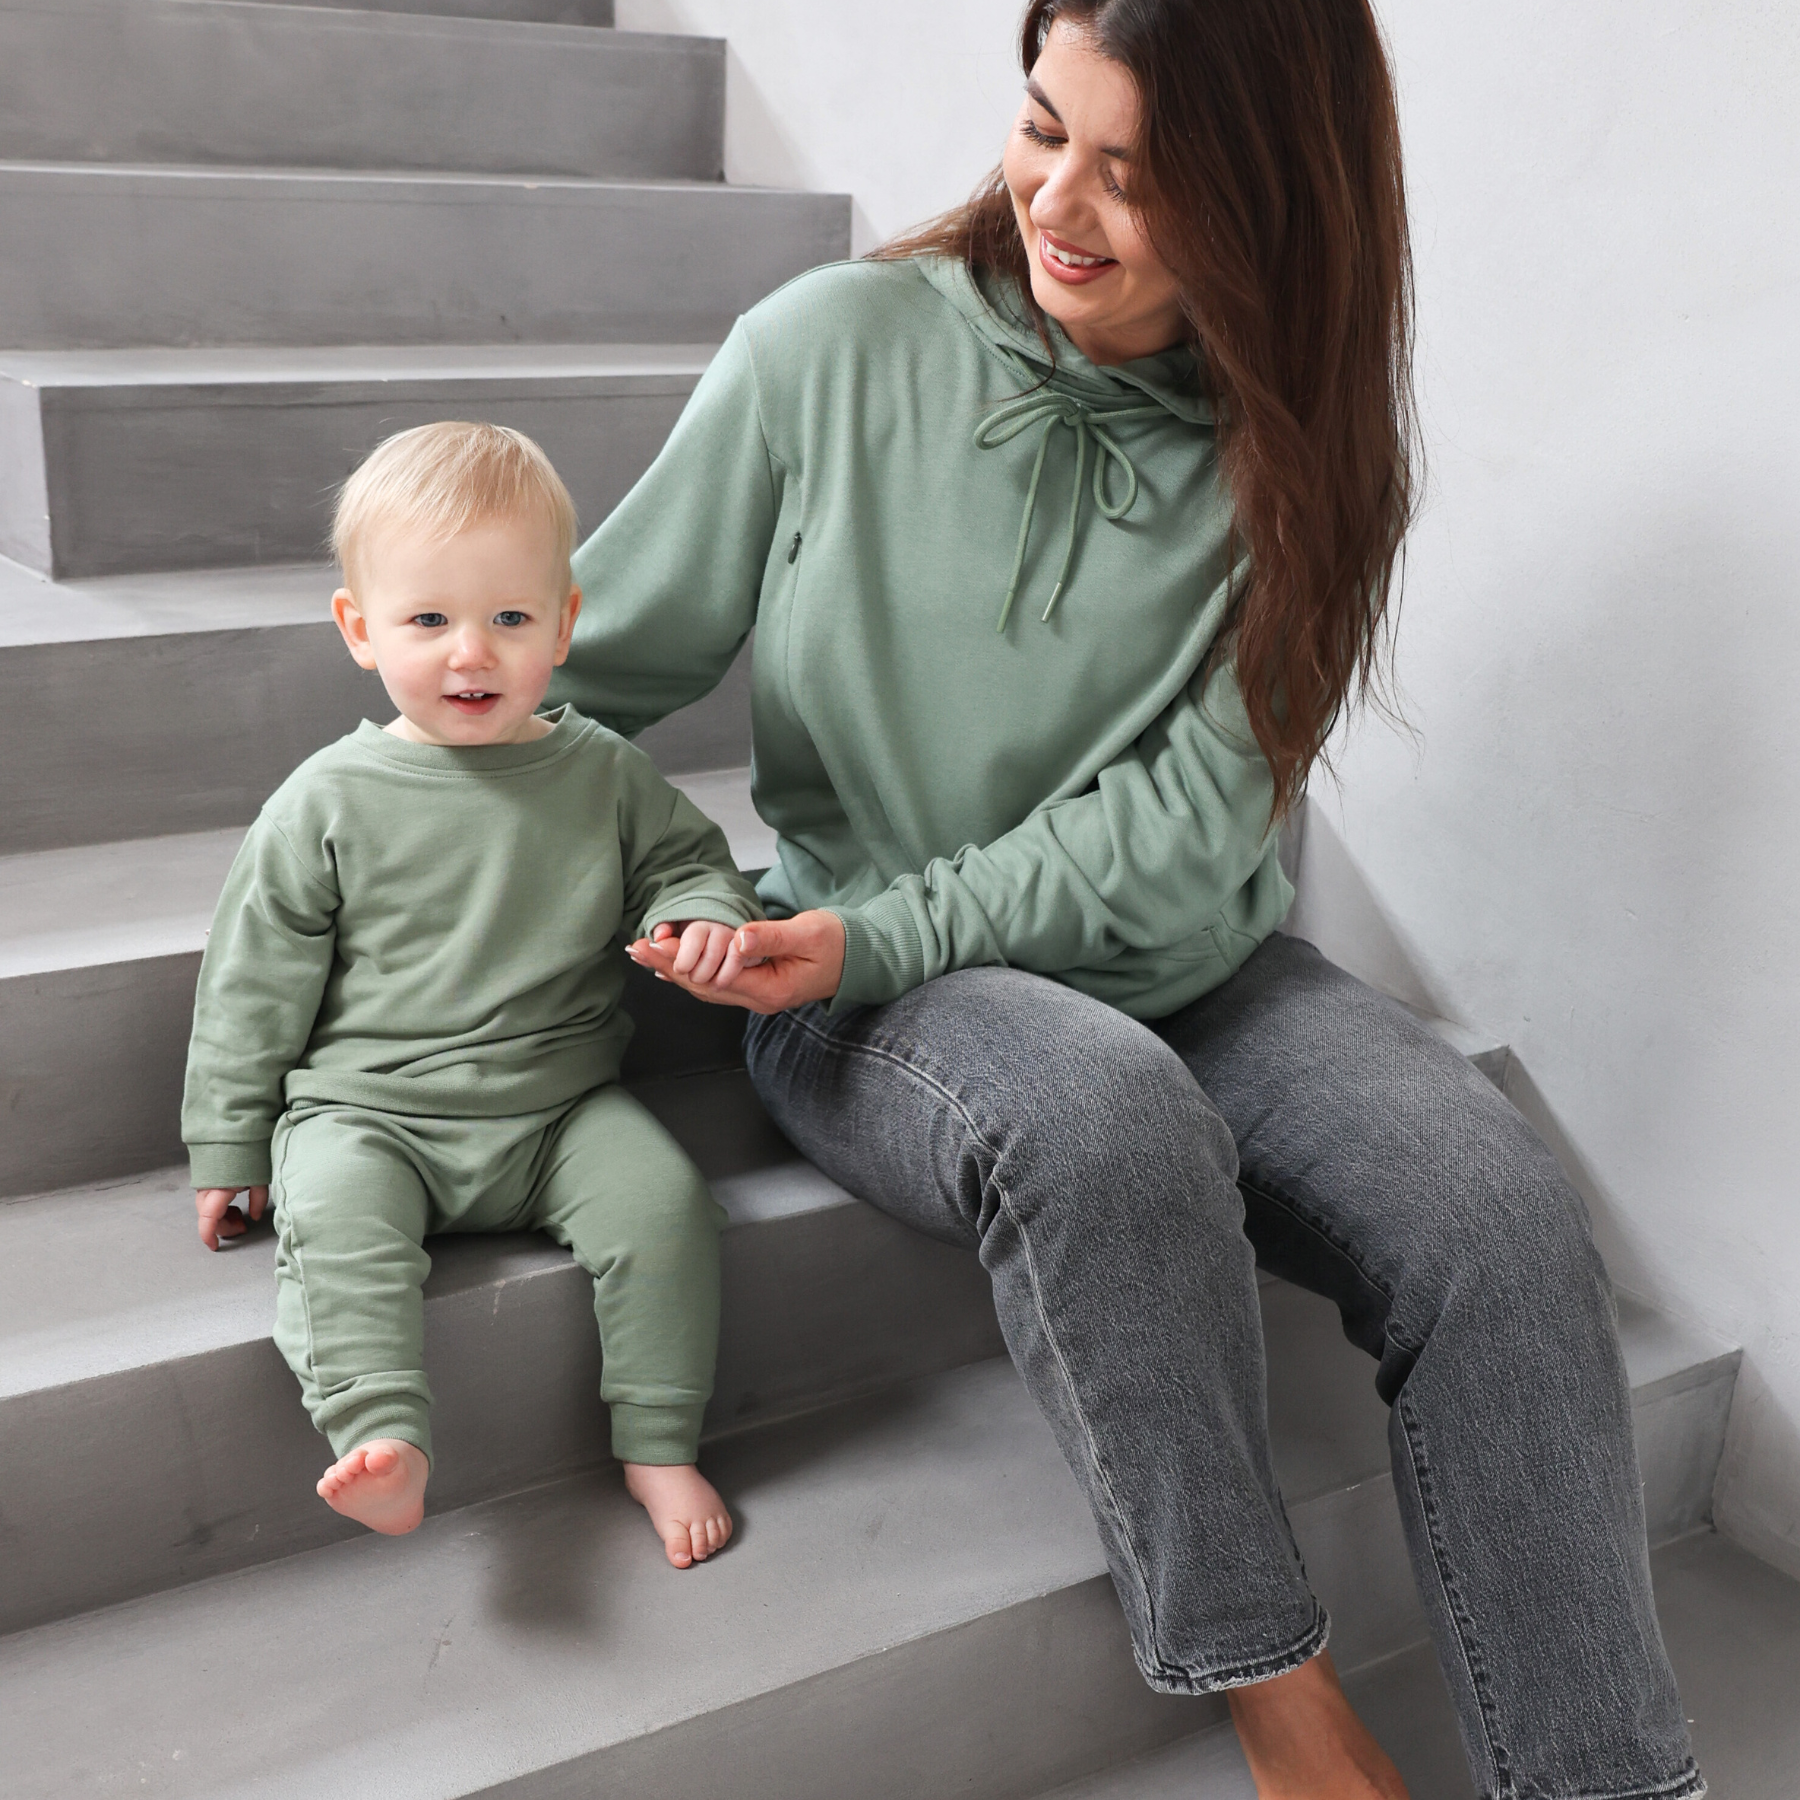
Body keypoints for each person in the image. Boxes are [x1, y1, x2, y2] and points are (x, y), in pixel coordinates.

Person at [564, 3, 1703, 1794]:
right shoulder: (828, 348)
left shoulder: (1306, 453)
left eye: (1139, 173)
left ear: (1270, 199)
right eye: (1043, 128)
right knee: (1105, 1115)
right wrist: (536, 892)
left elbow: (1184, 836)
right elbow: (572, 684)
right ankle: (1278, 1691)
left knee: (1496, 1213)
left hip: (1194, 968)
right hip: (875, 983)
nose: (1058, 201)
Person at [181, 422, 759, 1570]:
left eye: (509, 618)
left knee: (667, 1210)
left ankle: (656, 1443)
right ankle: (381, 1432)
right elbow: (252, 984)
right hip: (372, 1113)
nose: (471, 654)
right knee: (334, 1221)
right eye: (429, 620)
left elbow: (689, 865)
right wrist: (229, 1143)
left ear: (564, 624)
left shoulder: (603, 772)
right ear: (361, 629)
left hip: (558, 1110)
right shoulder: (325, 801)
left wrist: (699, 916)